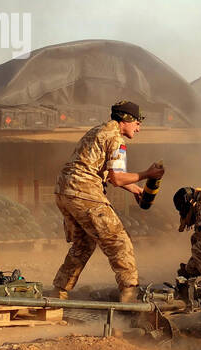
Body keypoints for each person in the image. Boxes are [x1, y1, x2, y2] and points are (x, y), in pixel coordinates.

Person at [52, 101, 164, 303]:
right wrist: (148, 174)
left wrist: (133, 188)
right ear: (126, 120)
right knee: (119, 242)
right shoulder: (116, 139)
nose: (138, 128)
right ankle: (130, 296)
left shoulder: (98, 131)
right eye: (137, 123)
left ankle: (58, 292)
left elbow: (98, 169)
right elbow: (117, 178)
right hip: (85, 192)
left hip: (64, 190)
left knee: (83, 244)